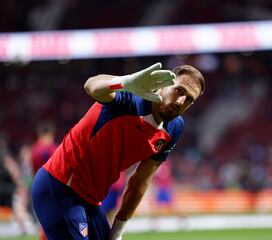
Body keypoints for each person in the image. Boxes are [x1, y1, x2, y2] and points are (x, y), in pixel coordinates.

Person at [31, 62, 205, 240]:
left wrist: (118, 230)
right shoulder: (132, 98)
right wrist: (125, 82)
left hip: (91, 200)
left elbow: (141, 180)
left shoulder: (174, 128)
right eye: (180, 90)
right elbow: (91, 85)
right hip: (60, 186)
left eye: (189, 99)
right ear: (165, 84)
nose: (180, 101)